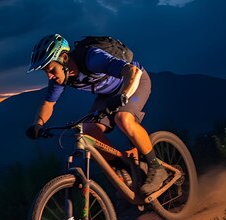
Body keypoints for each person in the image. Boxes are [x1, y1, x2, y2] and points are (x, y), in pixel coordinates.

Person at [25, 34, 167, 195]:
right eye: (46, 72)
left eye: (50, 69)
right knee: (87, 131)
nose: (49, 76)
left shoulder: (92, 58)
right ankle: (124, 166)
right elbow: (48, 104)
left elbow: (131, 71)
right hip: (108, 95)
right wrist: (38, 124)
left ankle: (156, 167)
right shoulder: (60, 78)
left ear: (64, 58)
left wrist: (124, 95)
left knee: (123, 119)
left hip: (135, 82)